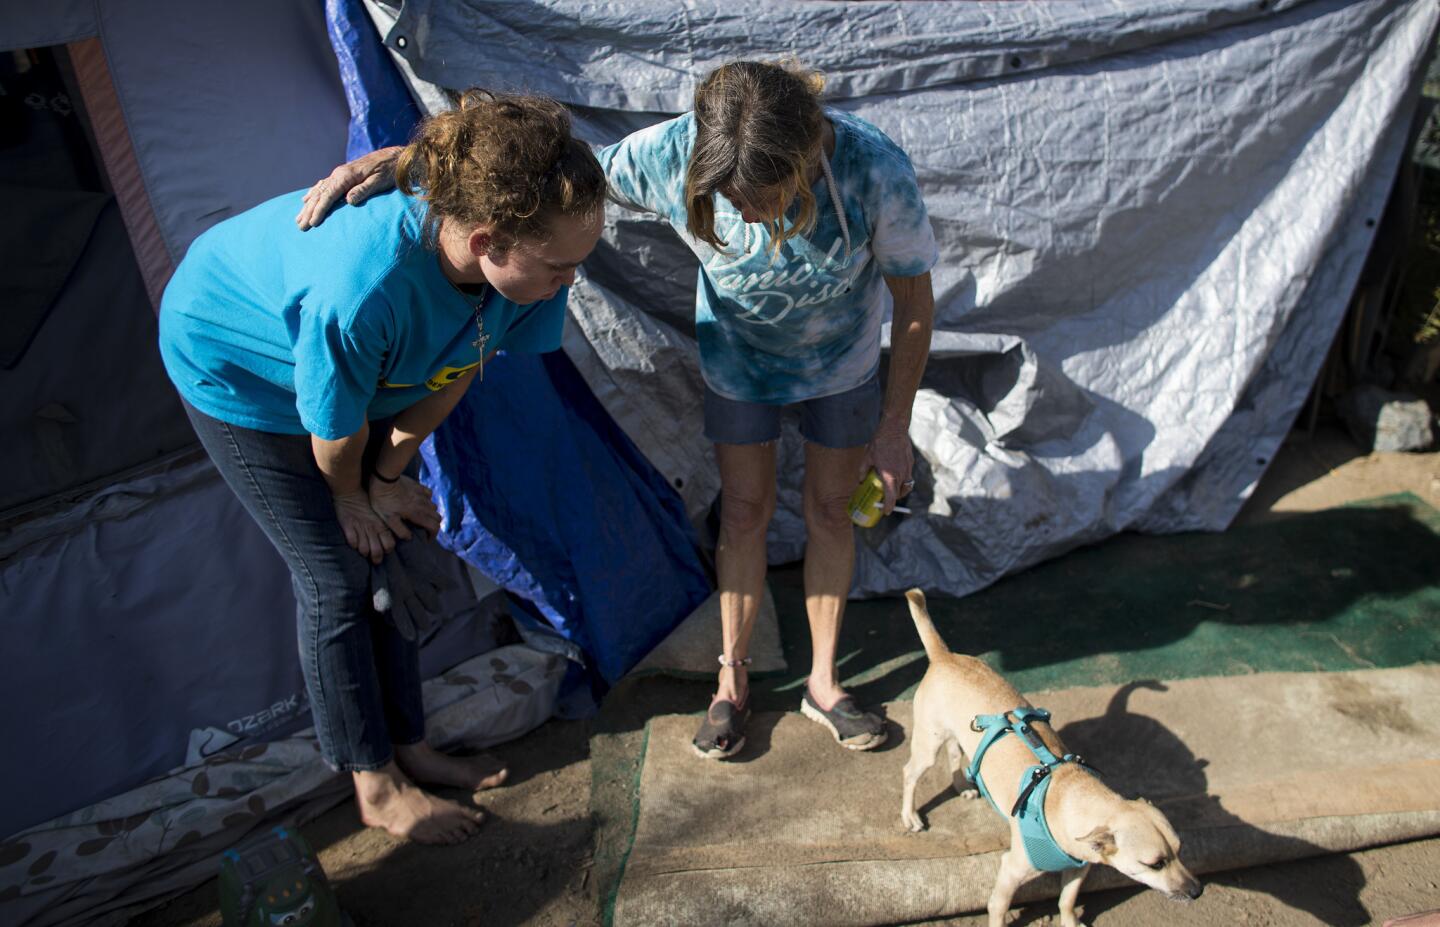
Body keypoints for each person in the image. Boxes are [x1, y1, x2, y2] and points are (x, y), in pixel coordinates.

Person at [299, 60, 937, 761]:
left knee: (829, 510)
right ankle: (732, 681)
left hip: (841, 366)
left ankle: (823, 681)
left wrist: (893, 426)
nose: (747, 215)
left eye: (762, 198)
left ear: (808, 154)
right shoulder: (673, 151)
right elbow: (535, 182)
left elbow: (912, 304)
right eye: (730, 198)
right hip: (740, 364)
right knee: (747, 513)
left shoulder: (874, 169)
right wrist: (417, 164)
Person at [161, 90, 607, 841]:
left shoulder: (525, 271)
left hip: (355, 373)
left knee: (392, 543)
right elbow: (331, 430)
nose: (572, 282)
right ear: (485, 242)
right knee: (335, 578)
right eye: (561, 268)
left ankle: (412, 747)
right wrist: (351, 496)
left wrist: (389, 478)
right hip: (231, 364)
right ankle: (373, 783)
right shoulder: (363, 290)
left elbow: (457, 366)